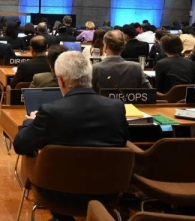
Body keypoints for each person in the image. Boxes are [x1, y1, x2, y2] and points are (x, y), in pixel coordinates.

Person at [13, 51, 128, 221]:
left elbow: (20, 145)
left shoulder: (50, 112)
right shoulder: (117, 107)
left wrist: (30, 122)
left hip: (57, 193)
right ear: (90, 77)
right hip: (108, 191)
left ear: (60, 80)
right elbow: (123, 141)